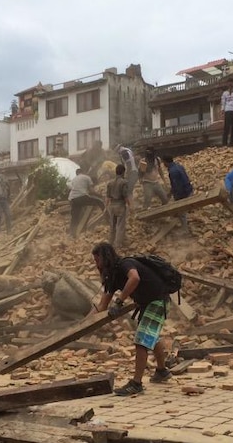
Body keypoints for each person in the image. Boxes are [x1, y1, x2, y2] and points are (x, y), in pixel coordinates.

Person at [91, 242, 173, 396]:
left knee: (141, 340)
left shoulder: (125, 264)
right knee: (152, 337)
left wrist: (120, 301)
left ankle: (136, 384)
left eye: (97, 260)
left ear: (106, 257)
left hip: (157, 300)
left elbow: (134, 278)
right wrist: (85, 323)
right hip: (148, 303)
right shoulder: (113, 277)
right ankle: (162, 371)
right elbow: (102, 305)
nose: (96, 265)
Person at [68, 168, 106, 237]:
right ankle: (107, 219)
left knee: (75, 217)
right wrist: (100, 195)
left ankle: (72, 234)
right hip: (81, 197)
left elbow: (72, 188)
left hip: (72, 199)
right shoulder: (87, 177)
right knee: (99, 202)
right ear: (83, 172)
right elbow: (91, 191)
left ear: (77, 173)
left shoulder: (74, 179)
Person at [163, 156, 193, 232]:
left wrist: (177, 198)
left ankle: (185, 230)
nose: (163, 164)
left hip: (183, 193)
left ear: (166, 162)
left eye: (163, 162)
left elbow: (177, 186)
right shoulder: (179, 166)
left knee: (181, 212)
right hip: (189, 189)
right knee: (182, 211)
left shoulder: (173, 172)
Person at [105, 164, 132, 248]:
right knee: (120, 226)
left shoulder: (110, 182)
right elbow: (125, 196)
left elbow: (108, 196)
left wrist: (106, 207)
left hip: (111, 206)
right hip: (120, 205)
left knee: (112, 226)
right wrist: (130, 206)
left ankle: (110, 243)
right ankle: (117, 245)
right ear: (123, 172)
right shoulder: (124, 182)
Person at [220, 80, 233, 147]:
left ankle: (232, 143)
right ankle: (224, 143)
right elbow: (223, 102)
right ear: (227, 84)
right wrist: (222, 110)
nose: (230, 85)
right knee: (226, 127)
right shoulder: (225, 93)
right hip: (227, 110)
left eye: (231, 83)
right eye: (229, 84)